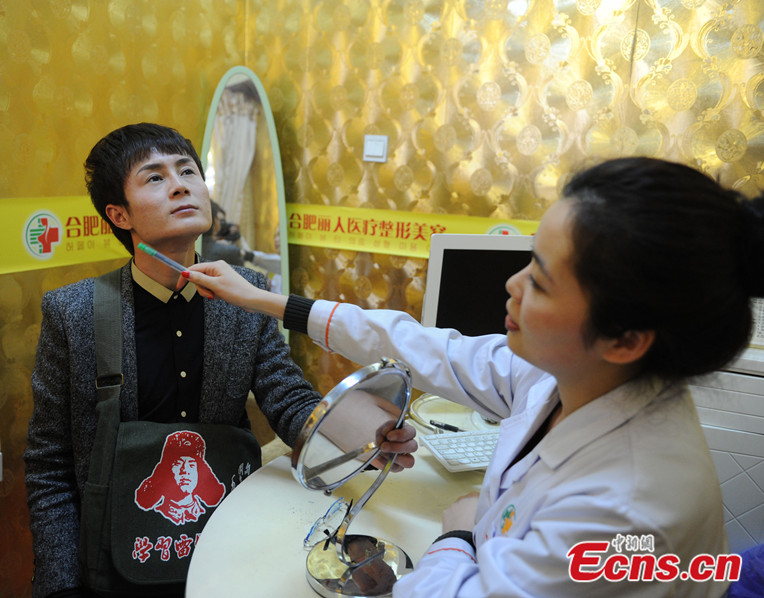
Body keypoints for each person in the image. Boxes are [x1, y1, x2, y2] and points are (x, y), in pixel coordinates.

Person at [184, 157, 764, 597]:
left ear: (626, 338)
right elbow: (427, 349)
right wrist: (273, 303)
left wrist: (458, 536)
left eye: (540, 281)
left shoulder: (623, 511)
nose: (512, 284)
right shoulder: (568, 377)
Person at [23, 123, 416, 598]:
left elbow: (287, 396)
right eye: (155, 177)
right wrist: (61, 585)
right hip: (119, 552)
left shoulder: (246, 293)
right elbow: (50, 464)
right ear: (119, 214)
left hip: (227, 533)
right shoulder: (75, 312)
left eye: (188, 171)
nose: (180, 185)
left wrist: (359, 439)